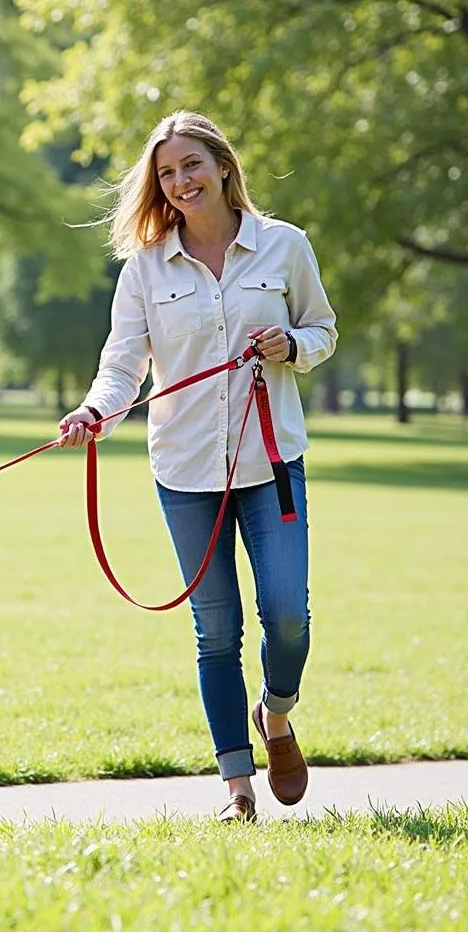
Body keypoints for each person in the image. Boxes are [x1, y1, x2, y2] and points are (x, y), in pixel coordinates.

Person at [58, 111, 337, 822]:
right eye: (166, 173)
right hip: (184, 471)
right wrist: (96, 412)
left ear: (221, 165)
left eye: (190, 165)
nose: (179, 182)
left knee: (287, 616)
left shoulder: (284, 246)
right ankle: (237, 790)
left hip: (270, 462)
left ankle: (274, 715)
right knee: (216, 631)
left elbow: (323, 329)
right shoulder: (146, 267)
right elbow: (123, 364)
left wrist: (292, 346)